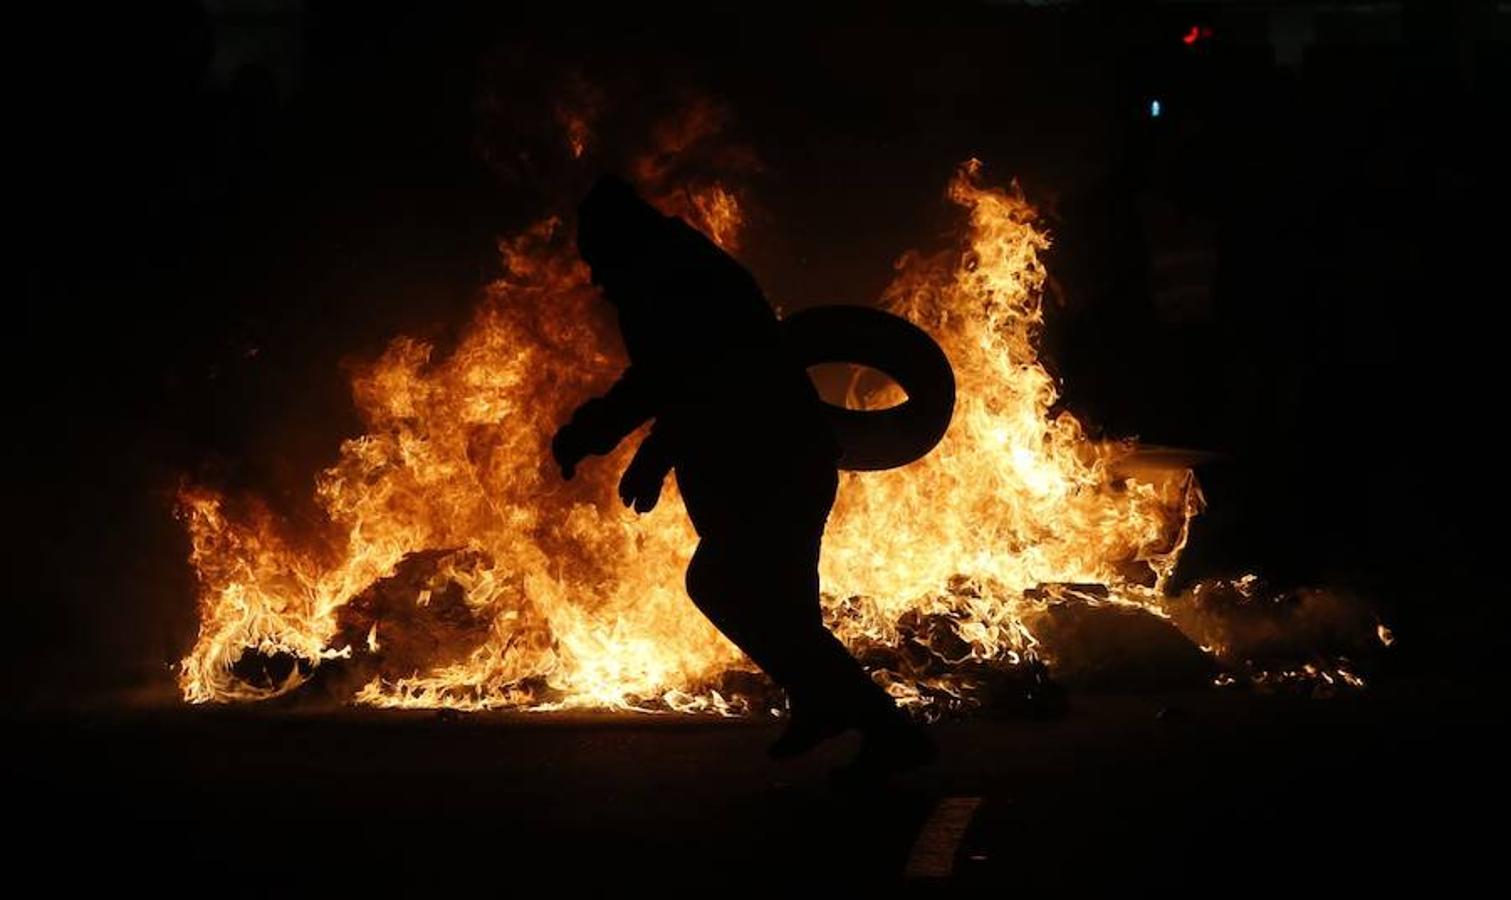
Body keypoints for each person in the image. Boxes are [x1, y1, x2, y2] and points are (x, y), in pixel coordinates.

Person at [551, 175, 936, 782]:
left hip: (775, 465)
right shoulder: (674, 269)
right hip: (776, 463)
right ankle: (840, 717)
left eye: (600, 261)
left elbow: (689, 376)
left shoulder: (675, 280)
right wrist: (641, 447)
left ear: (624, 243)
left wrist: (607, 436)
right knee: (784, 610)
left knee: (721, 583)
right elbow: (683, 377)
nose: (597, 279)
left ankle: (883, 727)